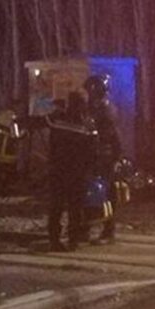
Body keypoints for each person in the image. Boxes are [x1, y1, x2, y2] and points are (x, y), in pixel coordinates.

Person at [45, 93, 97, 251]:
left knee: (56, 206)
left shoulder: (58, 122)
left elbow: (52, 145)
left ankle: (54, 239)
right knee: (75, 207)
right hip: (77, 172)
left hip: (58, 170)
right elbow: (92, 150)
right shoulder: (86, 125)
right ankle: (73, 240)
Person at [84, 75, 123, 243]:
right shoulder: (98, 108)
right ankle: (87, 228)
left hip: (103, 157)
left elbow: (107, 135)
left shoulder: (103, 109)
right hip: (97, 156)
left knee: (105, 194)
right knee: (92, 193)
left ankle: (108, 230)